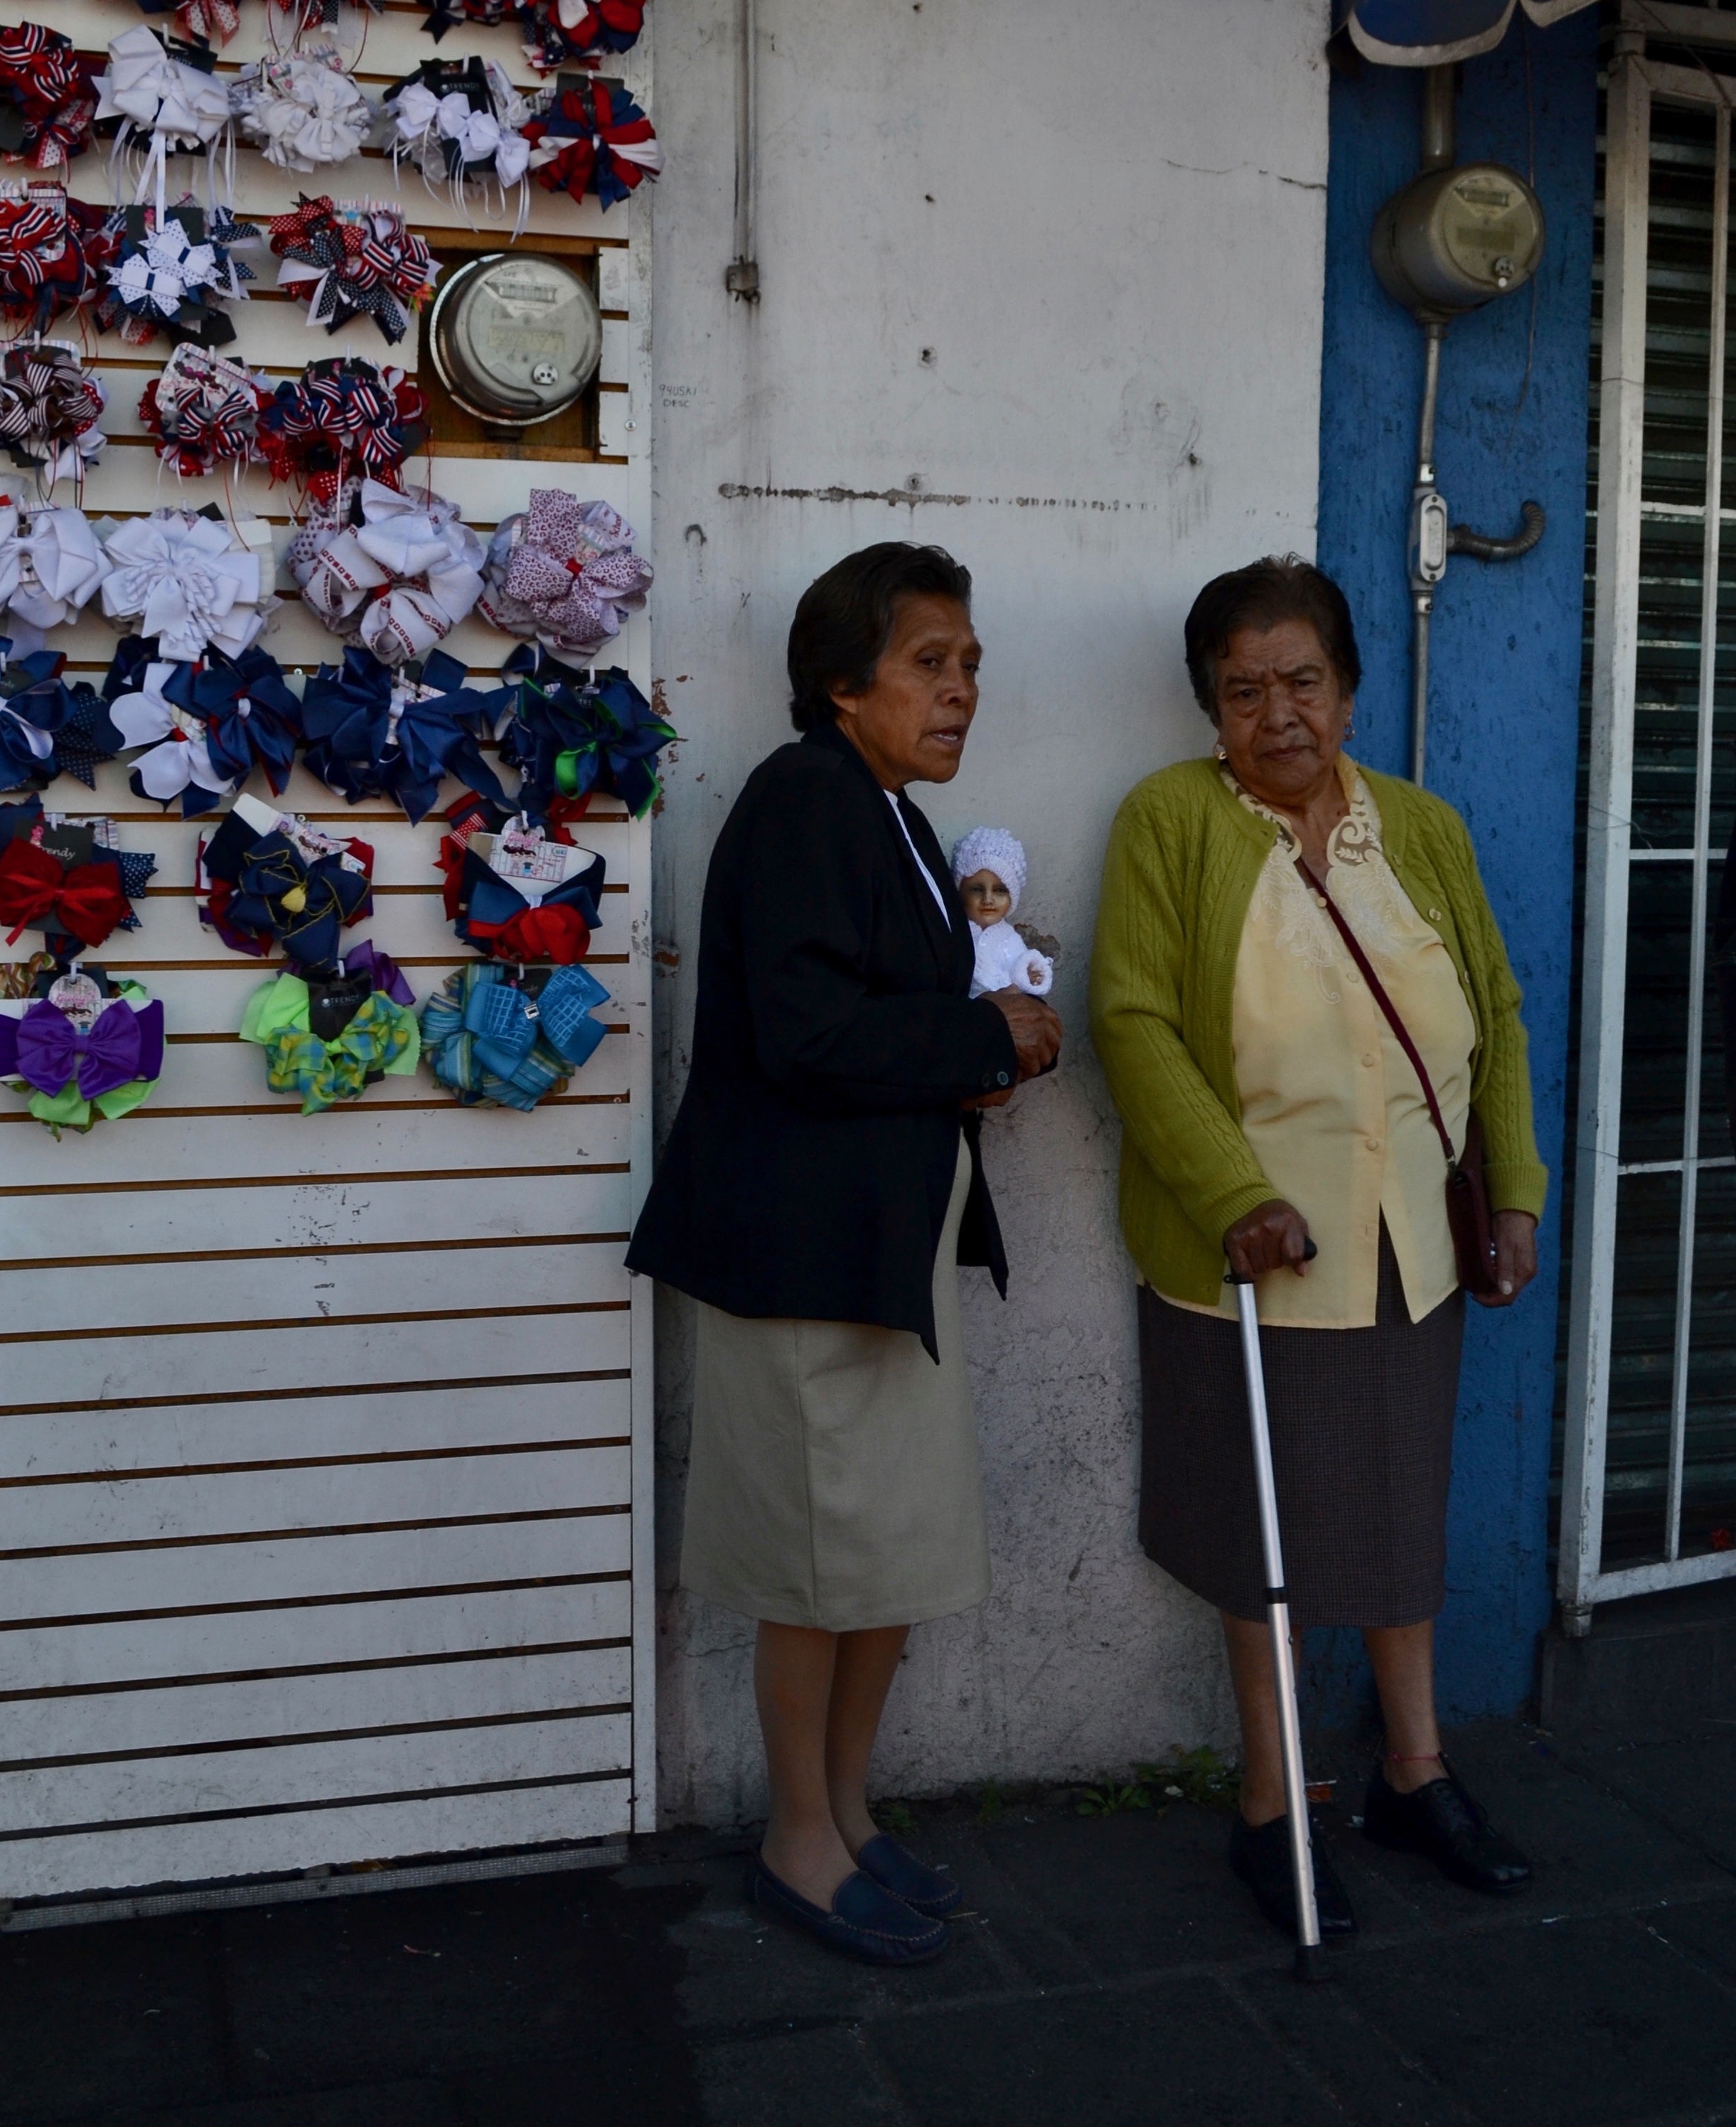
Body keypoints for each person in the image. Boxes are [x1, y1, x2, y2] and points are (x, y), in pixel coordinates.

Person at [1088, 556, 1541, 1944]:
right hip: (1253, 1253)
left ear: (1346, 688)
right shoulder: (1170, 819)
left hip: (1409, 1238)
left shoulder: (1420, 824)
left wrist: (1510, 1188)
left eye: (1300, 680)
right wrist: (1230, 1187)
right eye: (1242, 688)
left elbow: (1493, 1011)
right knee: (1263, 1530)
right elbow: (1132, 1019)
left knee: (1401, 1515)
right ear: (1209, 706)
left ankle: (1413, 1770)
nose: (1275, 711)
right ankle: (1270, 1803)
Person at [628, 542, 1061, 1966]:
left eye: (970, 664)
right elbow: (808, 1035)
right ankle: (795, 1840)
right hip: (801, 1258)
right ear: (840, 681)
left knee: (882, 1553)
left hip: (876, 1252)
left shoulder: (889, 818)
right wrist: (981, 1039)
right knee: (818, 1563)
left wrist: (981, 1049)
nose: (959, 691)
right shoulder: (807, 796)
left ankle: (849, 1813)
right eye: (930, 662)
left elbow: (889, 1025)